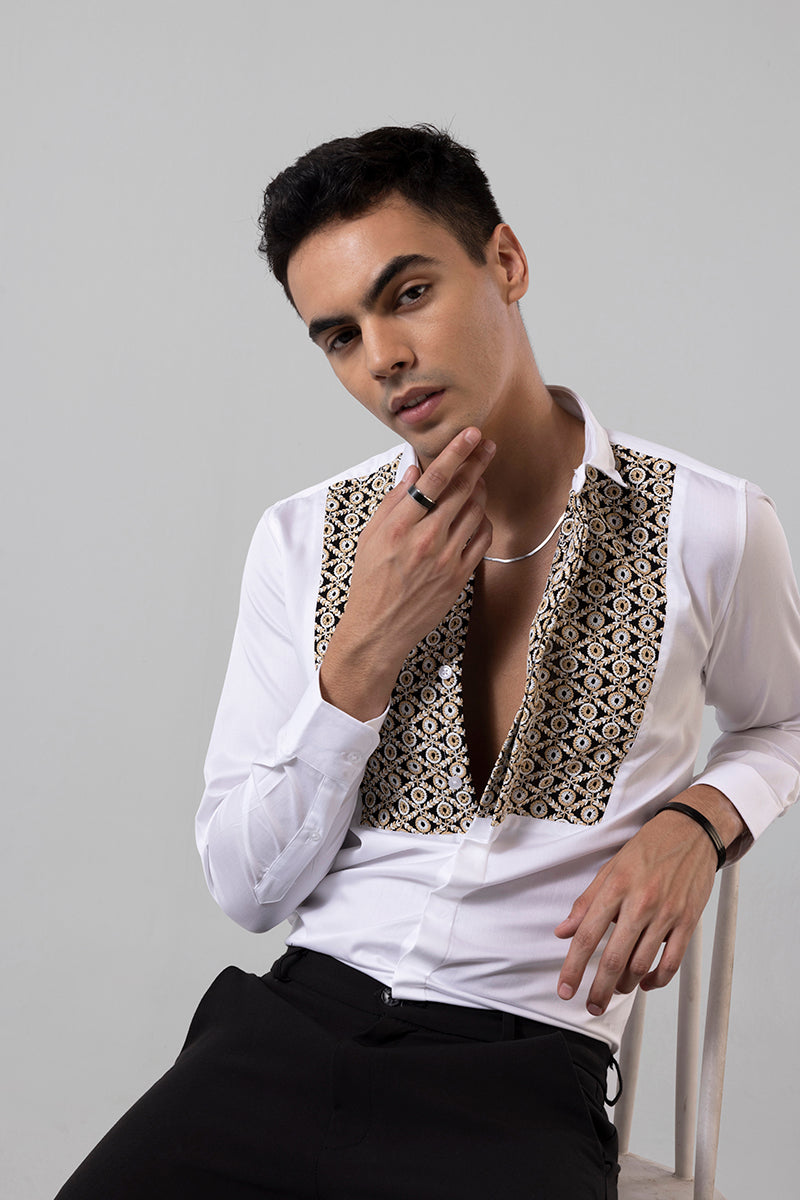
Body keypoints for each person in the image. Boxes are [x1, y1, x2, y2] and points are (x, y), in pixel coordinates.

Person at [57, 125, 800, 1200]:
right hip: (290, 1027)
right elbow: (248, 890)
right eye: (339, 336)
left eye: (407, 295)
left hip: (518, 1070)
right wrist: (362, 650)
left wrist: (701, 821)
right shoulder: (304, 540)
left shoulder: (711, 526)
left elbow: (783, 720)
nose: (382, 358)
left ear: (506, 261)